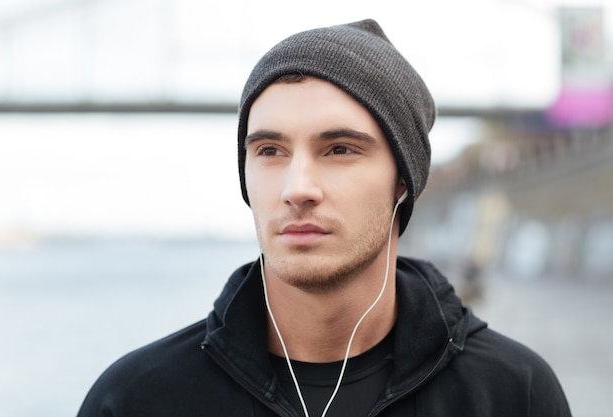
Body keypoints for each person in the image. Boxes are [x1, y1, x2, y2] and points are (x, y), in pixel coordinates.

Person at [77, 19, 572, 417]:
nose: (297, 189)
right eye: (270, 150)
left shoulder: (511, 393)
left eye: (338, 149)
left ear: (403, 179)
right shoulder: (138, 399)